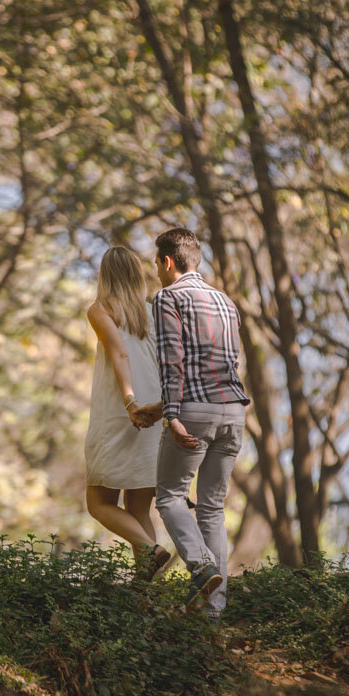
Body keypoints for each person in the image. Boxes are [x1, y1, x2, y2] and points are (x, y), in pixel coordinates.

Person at [138, 228, 249, 619]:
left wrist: (171, 415)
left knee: (169, 496)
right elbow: (225, 365)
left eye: (156, 264)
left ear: (168, 262)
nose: (156, 271)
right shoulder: (226, 302)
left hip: (194, 412)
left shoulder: (169, 297)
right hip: (234, 412)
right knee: (213, 509)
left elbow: (173, 360)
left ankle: (201, 567)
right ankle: (212, 613)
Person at [84, 246, 172, 580]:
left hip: (124, 415)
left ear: (104, 275)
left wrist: (130, 403)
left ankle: (150, 552)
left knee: (98, 504)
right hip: (155, 414)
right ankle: (151, 596)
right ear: (136, 275)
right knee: (138, 509)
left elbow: (120, 355)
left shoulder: (100, 309)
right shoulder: (151, 312)